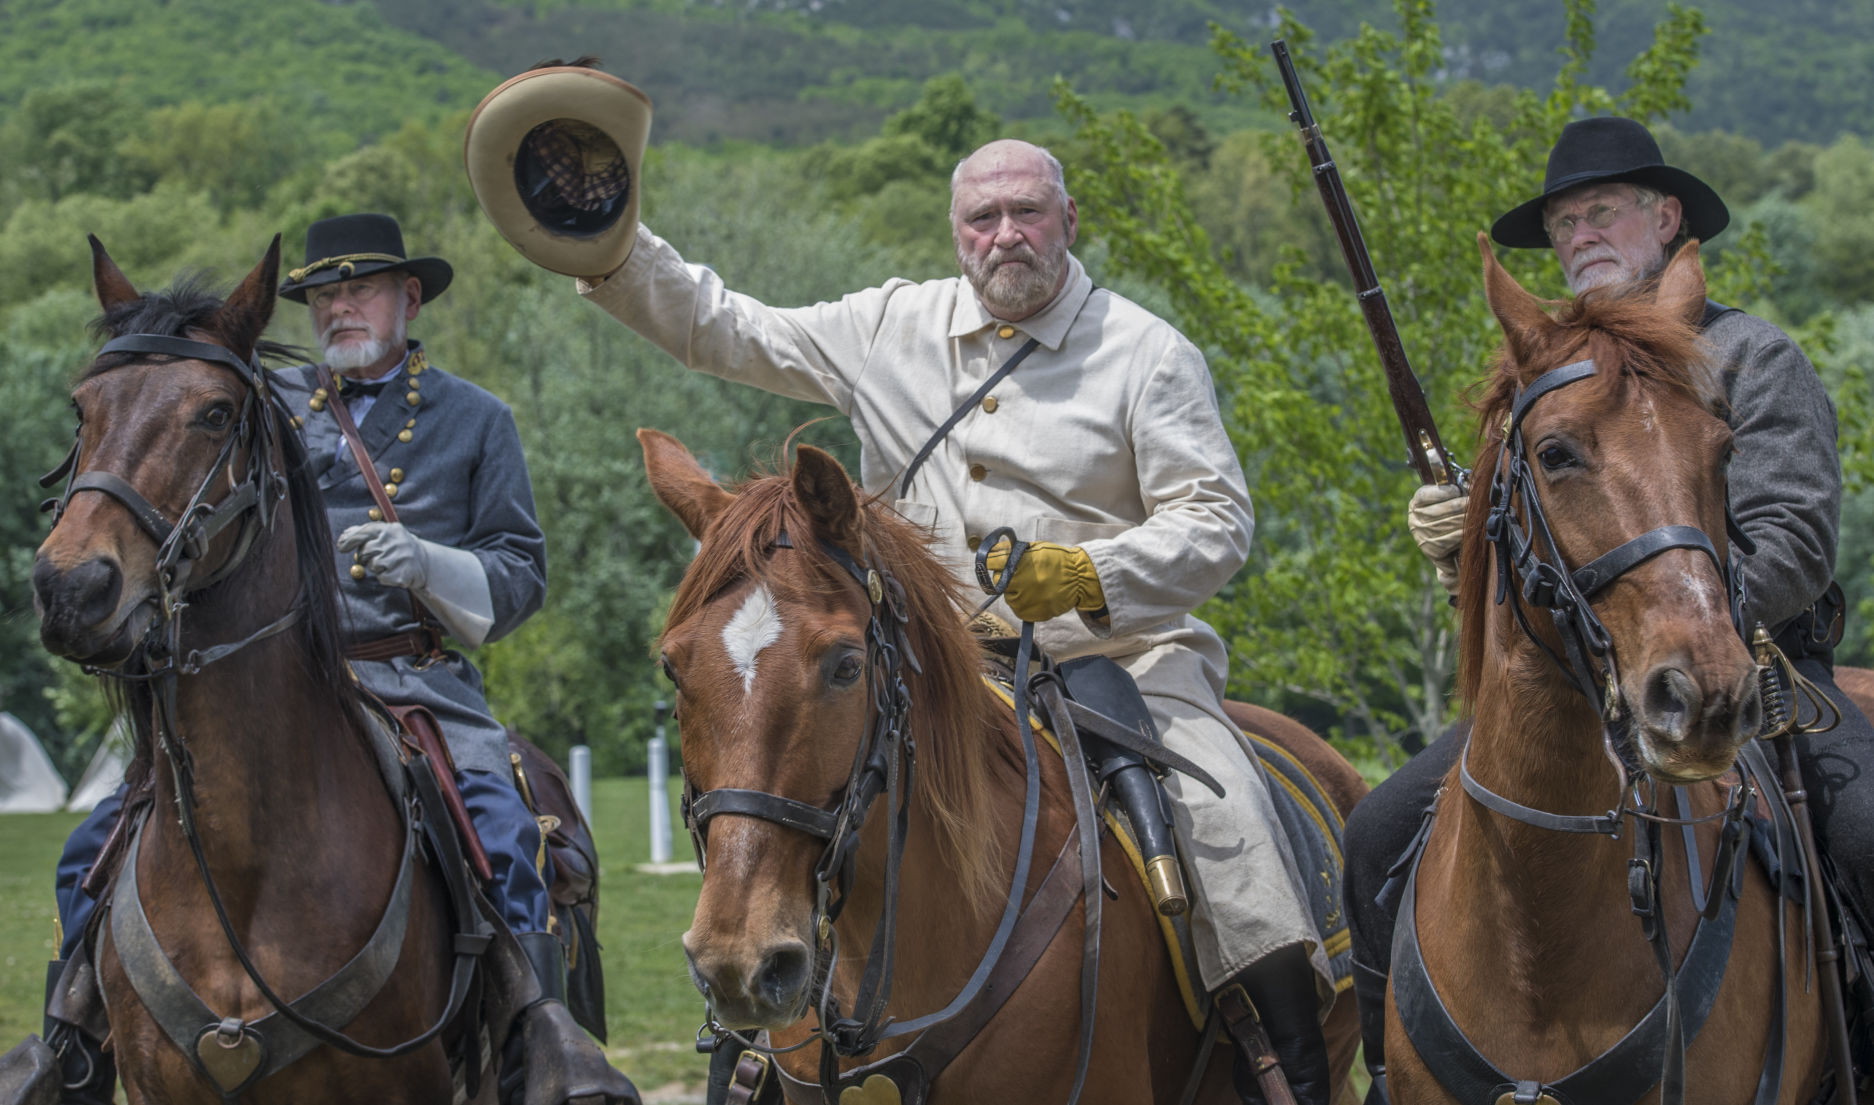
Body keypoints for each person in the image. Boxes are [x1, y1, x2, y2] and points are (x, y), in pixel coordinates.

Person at [464, 64, 1336, 1105]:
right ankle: (756, 1049)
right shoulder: (889, 324)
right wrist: (606, 246)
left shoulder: (1147, 354)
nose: (1003, 235)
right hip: (919, 666)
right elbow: (726, 327)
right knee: (804, 804)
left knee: (1228, 839)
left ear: (1068, 219)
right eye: (981, 217)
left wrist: (1086, 574)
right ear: (956, 229)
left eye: (1025, 212)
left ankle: (1287, 1067)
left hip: (1117, 664)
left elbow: (1216, 522)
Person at [1343, 116, 1874, 1103]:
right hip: (1561, 691)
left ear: (1664, 218)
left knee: (1866, 835)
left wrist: (1684, 631)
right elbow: (1525, 569)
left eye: (1599, 211)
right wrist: (1462, 537)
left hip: (1753, 675)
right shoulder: (1540, 378)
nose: (1576, 233)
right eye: (1560, 221)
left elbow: (1795, 543)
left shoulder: (1752, 358)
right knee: (1373, 832)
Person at [39, 214, 613, 1103]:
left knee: (503, 827)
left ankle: (540, 1030)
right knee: (96, 842)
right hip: (259, 684)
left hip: (413, 680)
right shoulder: (262, 410)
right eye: (322, 295)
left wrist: (429, 563)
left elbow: (519, 577)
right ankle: (67, 1040)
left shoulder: (474, 419)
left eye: (362, 289)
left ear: (408, 297)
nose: (339, 307)